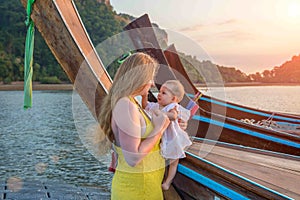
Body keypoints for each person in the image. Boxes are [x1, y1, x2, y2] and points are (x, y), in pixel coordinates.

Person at [98, 52, 170, 200]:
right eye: (150, 78)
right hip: (135, 191)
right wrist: (159, 129)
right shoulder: (125, 105)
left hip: (145, 188)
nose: (151, 83)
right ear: (139, 77)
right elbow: (133, 158)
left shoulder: (132, 103)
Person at [142, 79, 192, 191]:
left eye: (164, 93)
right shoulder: (156, 106)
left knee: (173, 162)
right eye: (159, 91)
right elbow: (145, 106)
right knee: (163, 161)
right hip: (161, 138)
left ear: (173, 99)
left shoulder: (172, 107)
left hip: (173, 139)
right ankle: (160, 179)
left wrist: (160, 113)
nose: (159, 94)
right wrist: (144, 96)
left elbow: (173, 116)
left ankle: (168, 182)